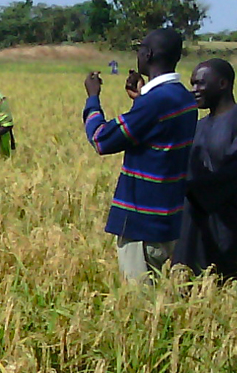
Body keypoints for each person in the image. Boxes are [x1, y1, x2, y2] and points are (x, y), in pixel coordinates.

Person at [82, 29, 198, 284]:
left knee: (141, 306)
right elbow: (153, 134)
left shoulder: (156, 103)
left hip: (142, 224)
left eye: (140, 48)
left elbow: (102, 139)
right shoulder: (183, 98)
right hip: (169, 220)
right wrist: (140, 100)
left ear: (149, 54)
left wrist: (93, 99)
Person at [175, 59, 237, 283]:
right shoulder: (198, 125)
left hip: (233, 226)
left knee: (230, 286)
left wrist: (191, 189)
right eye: (192, 84)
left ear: (223, 83)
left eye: (200, 84)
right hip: (196, 224)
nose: (194, 90)